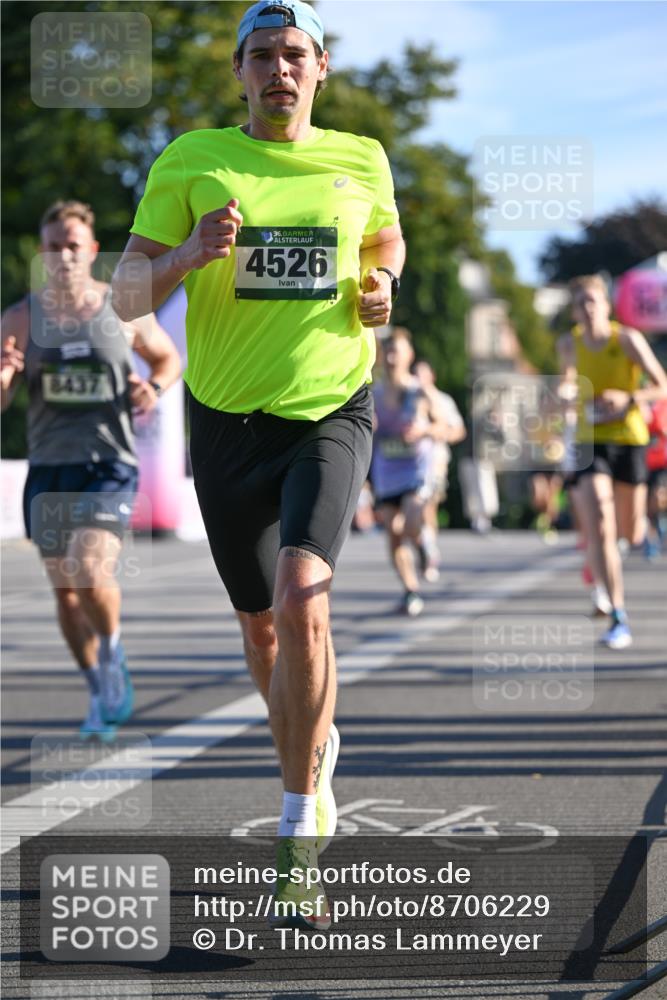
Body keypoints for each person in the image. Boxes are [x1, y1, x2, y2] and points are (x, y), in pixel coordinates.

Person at [112, 0, 404, 927]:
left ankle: (298, 823)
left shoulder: (360, 157)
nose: (279, 69)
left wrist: (383, 283)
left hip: (330, 407)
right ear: (239, 72)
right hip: (226, 421)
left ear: (320, 69)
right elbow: (124, 295)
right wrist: (188, 254)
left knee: (302, 596)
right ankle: (312, 747)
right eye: (263, 55)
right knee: (262, 632)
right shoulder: (192, 158)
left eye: (294, 55)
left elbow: (384, 238)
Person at [1, 199, 181, 739]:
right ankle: (98, 685)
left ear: (92, 250)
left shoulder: (123, 308)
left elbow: (168, 358)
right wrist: (5, 378)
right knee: (65, 593)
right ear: (42, 253)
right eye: (53, 247)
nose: (63, 256)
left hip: (109, 465)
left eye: (73, 246)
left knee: (89, 568)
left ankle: (112, 649)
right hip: (49, 468)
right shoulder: (20, 318)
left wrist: (153, 388)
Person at [558, 274, 667, 649]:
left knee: (631, 533)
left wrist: (628, 399)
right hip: (590, 441)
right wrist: (563, 393)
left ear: (606, 305)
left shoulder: (627, 340)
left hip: (629, 440)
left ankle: (613, 552)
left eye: (593, 301)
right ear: (574, 311)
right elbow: (567, 381)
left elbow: (662, 385)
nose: (588, 309)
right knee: (601, 525)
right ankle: (618, 615)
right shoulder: (569, 343)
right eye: (580, 303)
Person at [371, 330, 451, 616]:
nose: (392, 358)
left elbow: (448, 428)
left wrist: (424, 430)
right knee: (393, 534)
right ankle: (410, 590)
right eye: (388, 351)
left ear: (410, 355)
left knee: (411, 522)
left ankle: (423, 542)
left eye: (398, 351)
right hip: (386, 472)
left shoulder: (421, 391)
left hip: (417, 470)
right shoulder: (373, 393)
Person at [412, 359, 466, 578]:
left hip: (435, 463)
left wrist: (438, 433)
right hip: (408, 464)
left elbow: (459, 430)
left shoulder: (442, 400)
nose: (418, 379)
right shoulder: (407, 397)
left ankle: (430, 549)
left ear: (431, 376)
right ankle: (424, 546)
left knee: (427, 508)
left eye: (422, 374)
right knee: (413, 511)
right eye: (415, 374)